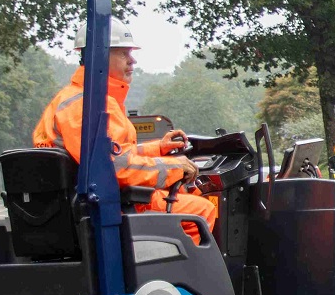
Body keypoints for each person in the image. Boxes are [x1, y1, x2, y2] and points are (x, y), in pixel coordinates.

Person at [33, 22, 219, 243]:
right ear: (98, 57)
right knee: (201, 210)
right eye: (124, 54)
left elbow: (110, 153)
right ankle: (178, 277)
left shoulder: (79, 99)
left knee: (191, 196)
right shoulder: (87, 105)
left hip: (92, 204)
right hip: (108, 208)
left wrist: (157, 148)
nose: (133, 60)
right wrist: (175, 166)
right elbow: (116, 167)